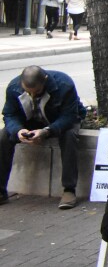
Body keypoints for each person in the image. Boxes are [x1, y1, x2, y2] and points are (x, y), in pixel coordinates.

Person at [0, 65, 85, 209]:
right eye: (28, 92)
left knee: (70, 136)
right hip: (31, 122)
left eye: (37, 92)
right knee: (3, 136)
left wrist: (47, 131)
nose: (32, 96)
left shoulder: (64, 84)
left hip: (59, 121)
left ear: (44, 81)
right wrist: (18, 131)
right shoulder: (14, 87)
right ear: (21, 83)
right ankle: (1, 191)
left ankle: (69, 190)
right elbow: (10, 114)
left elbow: (69, 116)